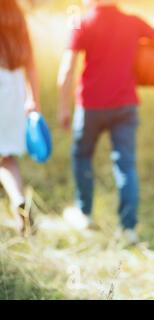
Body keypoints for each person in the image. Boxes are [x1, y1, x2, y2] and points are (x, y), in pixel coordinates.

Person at [57, 0, 154, 244]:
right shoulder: (132, 22)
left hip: (90, 105)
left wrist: (62, 108)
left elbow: (67, 68)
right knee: (125, 165)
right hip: (125, 105)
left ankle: (83, 213)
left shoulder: (82, 22)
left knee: (82, 156)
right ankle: (128, 229)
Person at [0, 0, 41, 235]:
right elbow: (31, 63)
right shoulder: (16, 16)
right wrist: (33, 100)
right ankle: (18, 202)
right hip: (15, 88)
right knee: (8, 158)